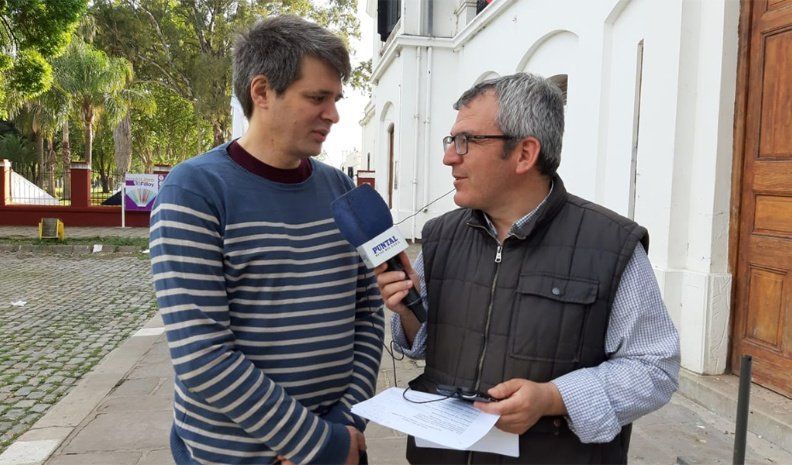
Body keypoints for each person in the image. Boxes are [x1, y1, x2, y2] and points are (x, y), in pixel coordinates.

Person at [375, 73, 680, 464]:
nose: (449, 157)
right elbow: (423, 343)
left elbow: (655, 367)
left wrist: (554, 398)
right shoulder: (440, 236)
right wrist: (408, 309)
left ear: (524, 153)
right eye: (451, 141)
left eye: (466, 141)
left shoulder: (611, 245)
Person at [150, 15, 384, 465]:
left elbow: (370, 314)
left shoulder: (341, 190)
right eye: (317, 97)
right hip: (239, 455)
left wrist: (345, 425)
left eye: (335, 99)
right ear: (261, 92)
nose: (333, 115)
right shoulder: (194, 191)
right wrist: (312, 442)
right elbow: (202, 354)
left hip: (340, 442)